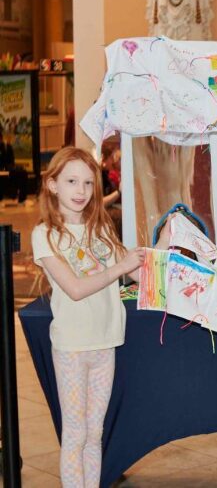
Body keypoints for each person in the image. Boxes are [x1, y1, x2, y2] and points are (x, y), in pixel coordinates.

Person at [31, 147, 144, 488]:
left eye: (87, 183)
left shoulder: (102, 229)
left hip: (105, 341)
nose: (80, 191)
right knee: (76, 433)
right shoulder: (46, 234)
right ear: (52, 185)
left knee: (95, 434)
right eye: (70, 182)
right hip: (73, 347)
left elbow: (137, 271)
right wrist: (121, 268)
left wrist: (166, 247)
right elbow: (75, 289)